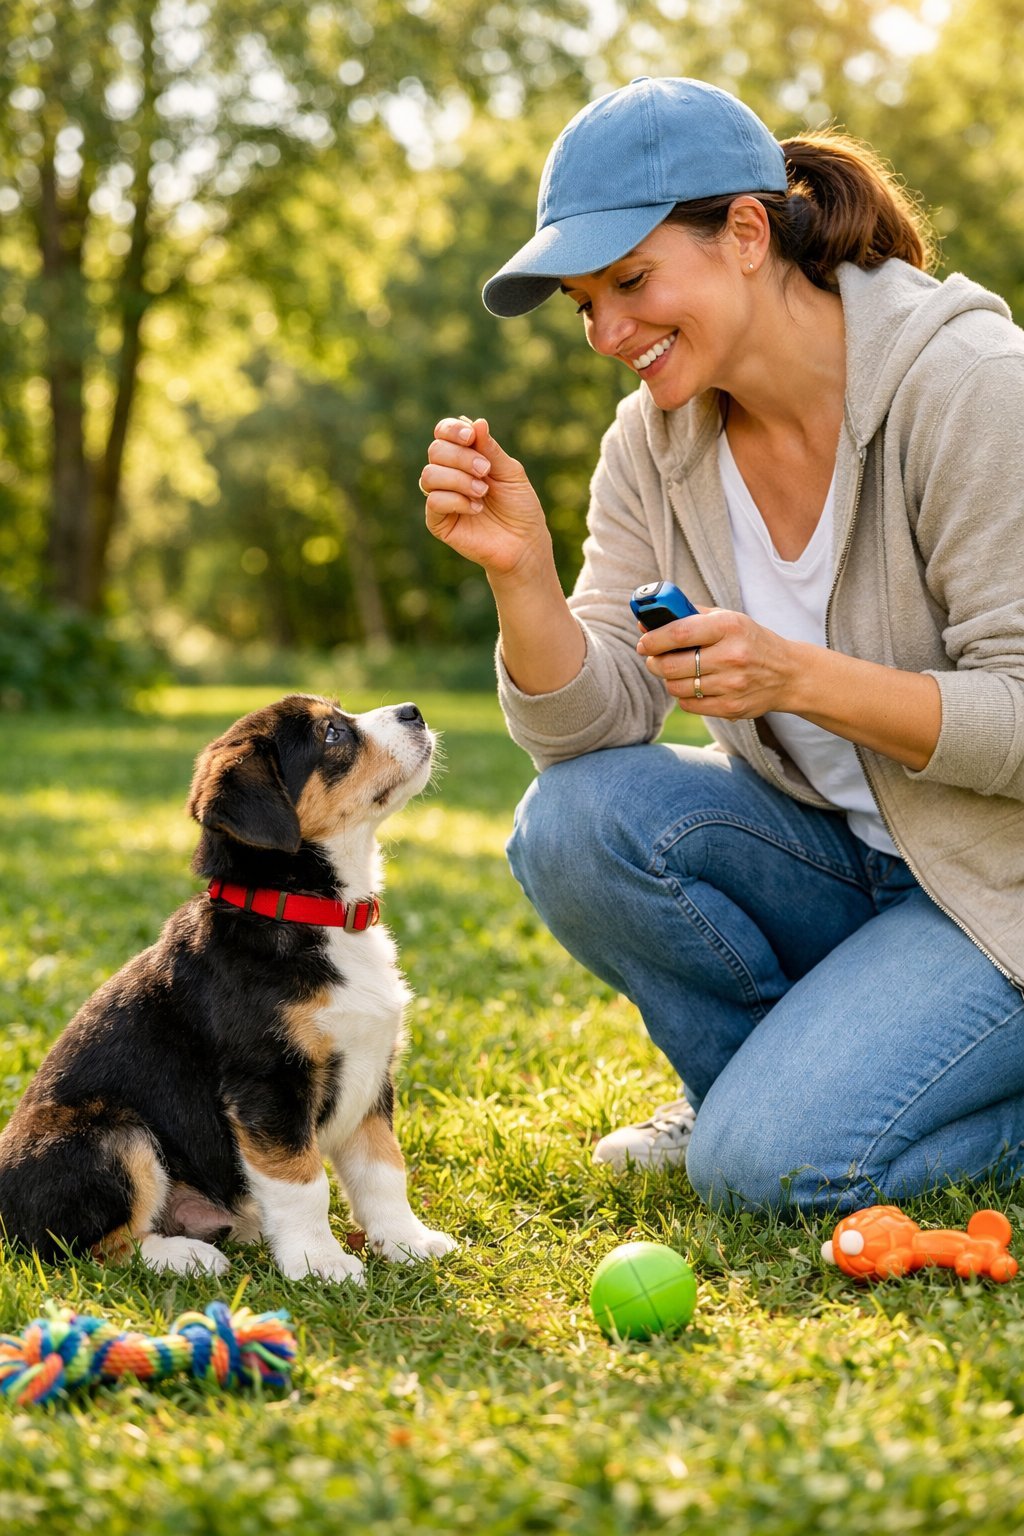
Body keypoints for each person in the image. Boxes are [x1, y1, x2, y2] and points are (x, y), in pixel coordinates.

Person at [417, 76, 1024, 1214]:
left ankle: (772, 1114)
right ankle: (762, 1084)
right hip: (847, 862)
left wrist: (801, 678)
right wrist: (523, 575)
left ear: (747, 232)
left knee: (766, 1171)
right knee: (575, 823)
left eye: (631, 283)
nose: (607, 333)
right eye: (584, 304)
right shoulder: (655, 441)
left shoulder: (972, 391)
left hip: (997, 885)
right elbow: (590, 733)